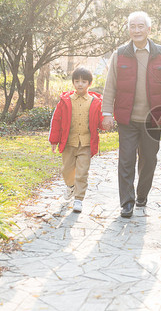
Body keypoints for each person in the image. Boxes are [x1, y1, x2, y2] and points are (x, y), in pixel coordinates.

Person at [102, 11, 161, 218]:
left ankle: (142, 195)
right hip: (127, 118)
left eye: (140, 26)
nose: (136, 30)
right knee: (126, 160)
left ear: (148, 29)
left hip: (153, 120)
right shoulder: (120, 54)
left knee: (149, 159)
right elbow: (110, 86)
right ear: (129, 30)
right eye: (132, 26)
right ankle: (126, 202)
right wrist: (107, 112)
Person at [49, 67, 103, 213]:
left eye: (84, 82)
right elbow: (57, 121)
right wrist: (54, 140)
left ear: (89, 83)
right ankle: (70, 186)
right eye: (77, 81)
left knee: (82, 172)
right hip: (68, 143)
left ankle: (78, 199)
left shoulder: (95, 102)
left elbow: (100, 120)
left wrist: (107, 122)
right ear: (73, 83)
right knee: (67, 170)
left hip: (86, 144)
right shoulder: (65, 101)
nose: (80, 84)